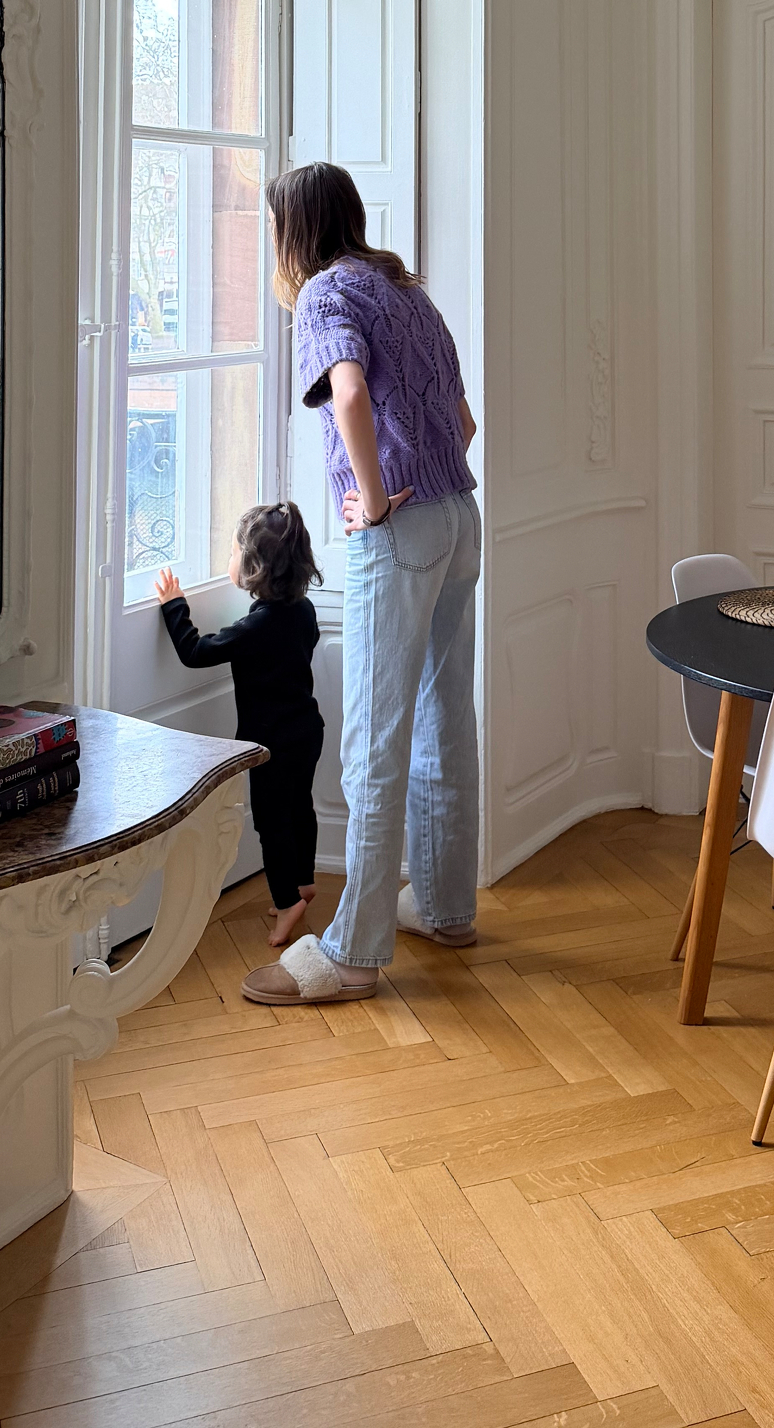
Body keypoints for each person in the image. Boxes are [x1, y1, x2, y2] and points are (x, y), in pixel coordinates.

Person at [240, 160, 481, 1007]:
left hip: (402, 529)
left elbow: (347, 394)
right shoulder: (407, 291)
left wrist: (372, 500)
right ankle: (447, 907)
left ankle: (352, 953)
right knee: (445, 715)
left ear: (291, 229)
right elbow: (464, 421)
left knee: (375, 737)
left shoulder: (323, 296)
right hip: (459, 517)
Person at [154, 503, 325, 951]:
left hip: (271, 743)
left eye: (232, 552)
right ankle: (304, 882)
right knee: (299, 808)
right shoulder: (302, 610)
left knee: (271, 821)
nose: (229, 560)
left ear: (255, 567)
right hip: (307, 729)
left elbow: (195, 651)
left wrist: (175, 606)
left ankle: (287, 901)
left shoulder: (255, 628)